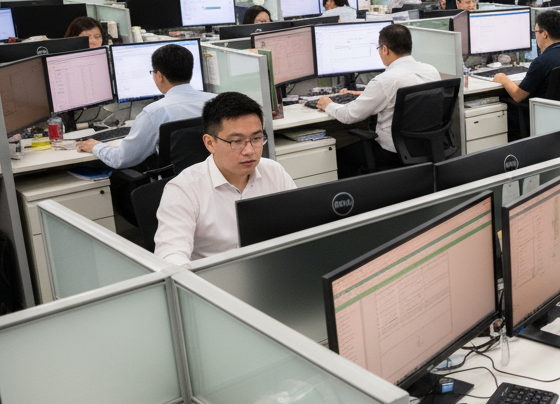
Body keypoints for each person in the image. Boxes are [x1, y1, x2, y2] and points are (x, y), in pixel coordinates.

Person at [154, 92, 296, 264]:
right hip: (213, 282)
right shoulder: (183, 190)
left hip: (269, 271)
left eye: (256, 138)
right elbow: (170, 258)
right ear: (210, 143)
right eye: (236, 141)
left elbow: (300, 227)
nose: (249, 150)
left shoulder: (274, 172)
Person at [319, 24, 441, 175]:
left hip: (392, 154)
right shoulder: (431, 71)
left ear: (385, 49)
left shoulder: (385, 81)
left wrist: (328, 104)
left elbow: (349, 115)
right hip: (426, 146)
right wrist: (366, 95)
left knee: (338, 155)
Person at [77, 43, 215, 168]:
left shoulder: (154, 112)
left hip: (177, 186)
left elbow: (122, 159)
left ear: (159, 76)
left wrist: (96, 147)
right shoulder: (217, 102)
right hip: (217, 181)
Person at [493, 10, 560, 137]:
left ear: (544, 34)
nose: (536, 36)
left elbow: (518, 96)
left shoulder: (541, 62)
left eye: (536, 32)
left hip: (542, 119)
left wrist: (504, 79)